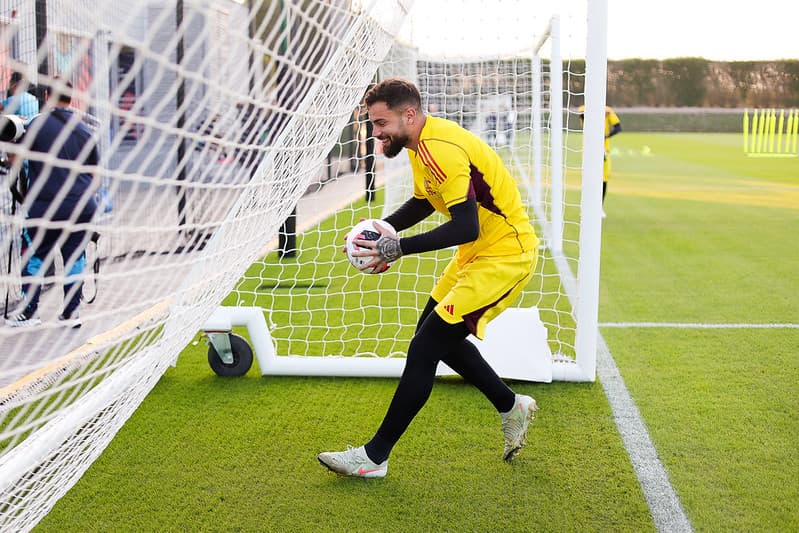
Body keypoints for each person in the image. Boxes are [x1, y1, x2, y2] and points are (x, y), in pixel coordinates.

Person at [317, 78, 540, 478]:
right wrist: (381, 228)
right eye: (373, 123)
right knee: (435, 338)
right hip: (475, 254)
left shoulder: (441, 147)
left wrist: (397, 248)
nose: (375, 132)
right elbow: (424, 201)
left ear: (409, 115)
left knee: (425, 347)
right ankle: (511, 406)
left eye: (381, 123)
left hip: (505, 256)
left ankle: (374, 457)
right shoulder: (421, 145)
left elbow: (466, 226)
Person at [5, 79, 99, 328]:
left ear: (47, 96)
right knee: (74, 258)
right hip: (80, 205)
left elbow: (15, 159)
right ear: (71, 97)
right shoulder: (84, 130)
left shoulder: (36, 124)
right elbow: (95, 176)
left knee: (35, 256)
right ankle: (71, 313)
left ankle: (28, 312)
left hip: (46, 206)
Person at [578, 105, 621, 218]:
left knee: (604, 179)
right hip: (589, 150)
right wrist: (599, 114)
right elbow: (582, 117)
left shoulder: (607, 110)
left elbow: (618, 127)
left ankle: (599, 207)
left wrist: (607, 136)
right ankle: (585, 206)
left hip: (604, 150)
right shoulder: (584, 108)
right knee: (589, 179)